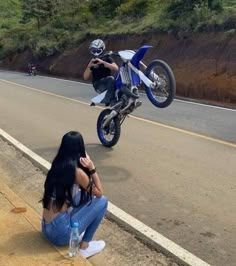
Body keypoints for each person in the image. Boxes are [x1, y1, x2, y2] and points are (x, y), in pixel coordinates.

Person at [41, 131, 108, 258]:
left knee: (82, 198)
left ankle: (78, 233)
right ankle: (84, 247)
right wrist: (92, 168)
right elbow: (99, 193)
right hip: (60, 234)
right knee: (102, 201)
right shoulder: (77, 172)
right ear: (80, 149)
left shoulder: (56, 163)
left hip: (46, 228)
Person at [83, 39, 119, 106]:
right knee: (111, 78)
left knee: (118, 80)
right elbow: (85, 77)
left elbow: (116, 68)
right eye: (94, 51)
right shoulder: (92, 61)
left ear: (102, 50)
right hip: (98, 85)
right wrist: (89, 67)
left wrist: (103, 63)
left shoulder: (107, 58)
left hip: (108, 83)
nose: (96, 53)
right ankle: (111, 100)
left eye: (98, 51)